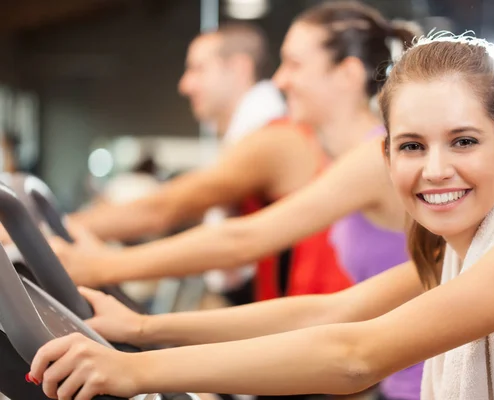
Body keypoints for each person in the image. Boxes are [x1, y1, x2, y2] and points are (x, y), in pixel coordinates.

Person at [29, 33, 494, 400]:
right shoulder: (456, 254)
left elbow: (356, 355)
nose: (436, 169)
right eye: (412, 147)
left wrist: (134, 372)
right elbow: (332, 313)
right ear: (387, 155)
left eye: (464, 141)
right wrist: (142, 331)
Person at [48, 2, 425, 398]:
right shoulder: (335, 153)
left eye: (294, 64)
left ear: (347, 74)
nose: (279, 80)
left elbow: (238, 238)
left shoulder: (373, 155)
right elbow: (333, 311)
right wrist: (139, 326)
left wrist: (103, 267)